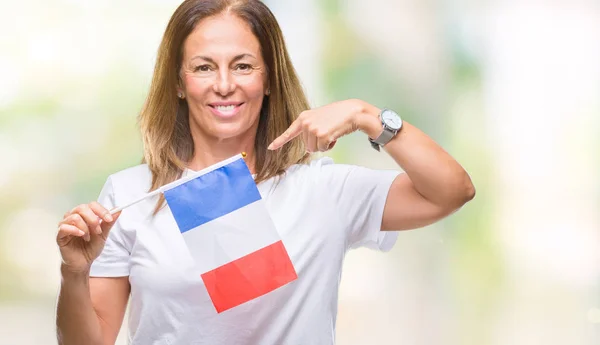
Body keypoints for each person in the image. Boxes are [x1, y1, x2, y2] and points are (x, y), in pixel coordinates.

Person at [55, 0, 475, 344]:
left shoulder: (323, 190)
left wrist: (365, 115)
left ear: (269, 78)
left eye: (243, 66)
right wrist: (74, 273)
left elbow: (452, 190)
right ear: (179, 82)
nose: (224, 84)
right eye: (203, 67)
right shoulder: (129, 193)